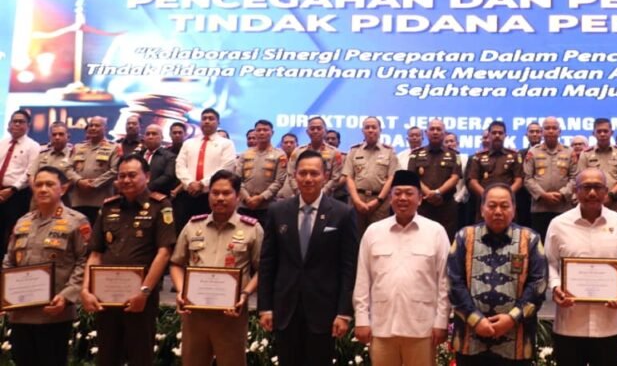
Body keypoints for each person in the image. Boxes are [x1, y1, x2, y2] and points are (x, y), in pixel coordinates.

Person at [258, 149, 358, 366]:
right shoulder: (278, 211)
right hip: (286, 308)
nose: (308, 179)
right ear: (295, 176)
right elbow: (268, 262)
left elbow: (348, 267)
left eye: (314, 173)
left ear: (325, 176)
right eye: (303, 173)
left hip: (324, 310)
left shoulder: (342, 213)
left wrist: (344, 312)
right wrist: (265, 306)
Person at [81, 154, 176, 365]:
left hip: (141, 297)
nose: (126, 180)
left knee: (140, 356)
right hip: (105, 296)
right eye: (122, 176)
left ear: (147, 176)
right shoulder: (108, 207)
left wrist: (144, 292)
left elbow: (164, 253)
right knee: (106, 356)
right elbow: (95, 253)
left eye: (132, 175)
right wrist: (86, 290)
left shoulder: (160, 206)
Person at [354, 170, 451, 366]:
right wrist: (361, 319)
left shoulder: (436, 232)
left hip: (422, 328)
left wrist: (441, 322)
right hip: (381, 327)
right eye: (397, 193)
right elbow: (363, 279)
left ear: (420, 199)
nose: (403, 198)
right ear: (390, 198)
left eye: (409, 193)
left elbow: (445, 281)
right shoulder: (374, 232)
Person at [546, 168, 617, 366]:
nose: (591, 193)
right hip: (569, 325)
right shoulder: (558, 224)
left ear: (606, 191)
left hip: (609, 325)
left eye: (597, 187)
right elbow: (550, 263)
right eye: (586, 187)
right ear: (576, 191)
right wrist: (555, 287)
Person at [170, 169, 262, 366]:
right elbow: (176, 264)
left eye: (226, 193)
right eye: (215, 192)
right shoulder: (193, 225)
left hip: (231, 315)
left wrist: (245, 294)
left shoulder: (252, 229)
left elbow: (262, 270)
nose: (220, 198)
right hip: (195, 314)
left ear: (238, 196)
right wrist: (180, 291)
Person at [448, 182, 547, 365]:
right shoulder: (464, 237)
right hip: (471, 339)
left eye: (504, 205)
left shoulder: (530, 239)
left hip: (516, 340)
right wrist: (475, 319)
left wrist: (512, 318)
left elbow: (538, 285)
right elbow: (453, 283)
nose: (498, 211)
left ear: (514, 208)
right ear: (482, 208)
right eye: (492, 205)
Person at [2, 166, 91, 366]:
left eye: (50, 184)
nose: (43, 189)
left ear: (64, 188)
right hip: (20, 312)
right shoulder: (22, 222)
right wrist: (4, 292)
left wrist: (68, 295)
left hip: (54, 312)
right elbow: (9, 260)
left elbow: (84, 261)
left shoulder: (76, 222)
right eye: (39, 184)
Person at [175, 108, 237, 227]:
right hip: (188, 194)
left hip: (212, 195)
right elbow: (180, 165)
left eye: (211, 119)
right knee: (184, 229)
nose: (207, 121)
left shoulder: (226, 144)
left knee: (209, 229)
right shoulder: (189, 143)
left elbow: (225, 168)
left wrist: (202, 183)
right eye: (204, 119)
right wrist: (190, 183)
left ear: (218, 123)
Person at [523, 117, 577, 241]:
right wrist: (543, 195)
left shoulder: (569, 152)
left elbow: (575, 178)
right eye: (547, 128)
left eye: (554, 128)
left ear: (560, 131)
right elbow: (527, 178)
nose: (551, 131)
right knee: (540, 243)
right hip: (540, 207)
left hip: (563, 207)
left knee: (563, 241)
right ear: (542, 132)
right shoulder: (533, 152)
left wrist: (562, 194)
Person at [342, 116, 398, 235]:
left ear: (380, 130)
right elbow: (349, 177)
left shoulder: (389, 152)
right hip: (357, 200)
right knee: (355, 238)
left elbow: (391, 178)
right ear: (362, 131)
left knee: (378, 237)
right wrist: (357, 201)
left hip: (380, 202)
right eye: (367, 127)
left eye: (374, 127)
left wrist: (378, 200)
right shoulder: (353, 151)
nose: (370, 130)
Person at [408, 118, 462, 240]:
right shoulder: (416, 154)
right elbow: (413, 177)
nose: (435, 132)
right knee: (421, 239)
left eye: (439, 129)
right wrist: (429, 193)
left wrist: (438, 192)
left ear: (444, 133)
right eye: (432, 129)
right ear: (426, 133)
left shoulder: (454, 155)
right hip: (423, 206)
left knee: (446, 241)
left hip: (446, 206)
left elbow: (455, 177)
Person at [0, 109, 42, 257]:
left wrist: (12, 189)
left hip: (18, 195)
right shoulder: (2, 143)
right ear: (9, 125)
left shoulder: (33, 146)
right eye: (14, 121)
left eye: (21, 121)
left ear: (28, 125)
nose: (17, 124)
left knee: (14, 232)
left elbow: (29, 172)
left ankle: (10, 266)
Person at [233, 118, 287, 228]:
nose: (262, 133)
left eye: (265, 130)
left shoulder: (280, 155)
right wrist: (247, 198)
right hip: (245, 205)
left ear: (272, 133)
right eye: (259, 130)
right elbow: (237, 179)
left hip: (267, 206)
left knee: (265, 239)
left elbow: (279, 181)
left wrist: (261, 198)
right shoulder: (245, 154)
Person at [467, 120, 523, 221]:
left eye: (500, 133)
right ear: (488, 135)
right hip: (485, 204)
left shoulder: (514, 156)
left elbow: (518, 181)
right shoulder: (478, 157)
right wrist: (488, 196)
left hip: (507, 204)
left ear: (505, 135)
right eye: (494, 133)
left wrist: (505, 195)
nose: (497, 135)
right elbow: (472, 182)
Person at [69, 115, 117, 225]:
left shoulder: (113, 148)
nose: (93, 128)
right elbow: (68, 169)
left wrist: (94, 184)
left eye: (97, 125)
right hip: (78, 200)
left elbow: (115, 170)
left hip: (101, 200)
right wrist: (79, 181)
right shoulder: (78, 147)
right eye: (91, 125)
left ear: (105, 129)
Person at [577, 118, 617, 212]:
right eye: (599, 131)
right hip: (592, 201)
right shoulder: (586, 154)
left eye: (605, 131)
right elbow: (582, 179)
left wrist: (610, 195)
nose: (602, 134)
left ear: (611, 132)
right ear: (593, 133)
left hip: (615, 202)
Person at [515, 122, 542, 228]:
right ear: (526, 135)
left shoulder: (549, 152)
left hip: (543, 198)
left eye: (538, 131)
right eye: (531, 131)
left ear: (542, 134)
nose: (535, 134)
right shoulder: (519, 154)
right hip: (524, 199)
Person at [140, 123, 179, 197]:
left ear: (162, 137)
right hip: (135, 195)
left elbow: (168, 176)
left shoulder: (170, 157)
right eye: (147, 134)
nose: (150, 137)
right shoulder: (138, 155)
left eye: (154, 134)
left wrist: (146, 188)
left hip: (157, 198)